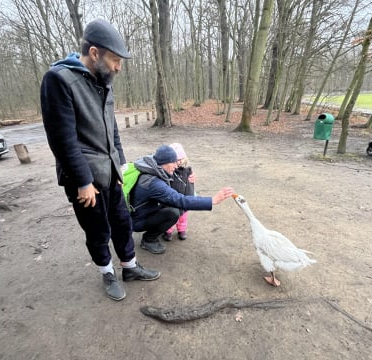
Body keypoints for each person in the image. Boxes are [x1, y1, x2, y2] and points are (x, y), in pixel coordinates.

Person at [40, 19, 160, 302]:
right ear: (94, 53)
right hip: (85, 180)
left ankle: (129, 267)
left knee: (121, 221)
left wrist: (120, 162)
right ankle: (107, 272)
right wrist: (82, 181)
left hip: (110, 172)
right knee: (97, 229)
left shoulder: (103, 82)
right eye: (115, 59)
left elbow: (112, 128)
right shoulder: (59, 79)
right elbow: (62, 140)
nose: (118, 67)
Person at [130, 144, 234, 254]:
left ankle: (153, 233)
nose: (176, 166)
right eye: (174, 162)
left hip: (140, 211)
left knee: (172, 208)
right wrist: (212, 200)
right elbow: (181, 200)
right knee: (173, 213)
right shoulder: (154, 183)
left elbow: (174, 178)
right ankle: (148, 240)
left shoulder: (151, 166)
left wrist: (189, 177)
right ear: (164, 162)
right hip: (136, 221)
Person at [162, 143, 194, 241]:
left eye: (180, 159)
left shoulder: (188, 170)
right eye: (176, 160)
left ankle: (182, 230)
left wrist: (190, 196)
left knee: (183, 217)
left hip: (184, 198)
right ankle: (168, 231)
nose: (178, 162)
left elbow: (190, 184)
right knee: (172, 216)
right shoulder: (169, 171)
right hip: (172, 199)